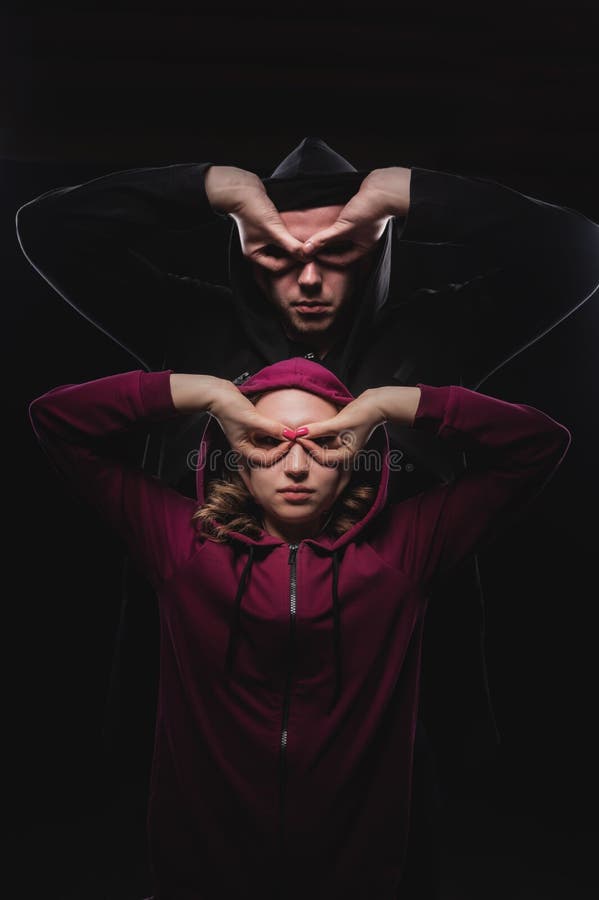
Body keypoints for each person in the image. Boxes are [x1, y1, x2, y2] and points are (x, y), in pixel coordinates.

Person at [16, 137, 599, 894]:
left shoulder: (433, 334)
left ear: (376, 250)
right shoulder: (190, 327)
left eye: (338, 252)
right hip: (207, 680)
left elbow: (574, 247)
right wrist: (215, 188)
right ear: (242, 250)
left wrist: (402, 191)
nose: (310, 279)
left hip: (395, 681)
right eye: (279, 255)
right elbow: (54, 231)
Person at [28, 356, 571, 900]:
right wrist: (212, 394)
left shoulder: (404, 554)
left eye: (322, 445)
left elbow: (536, 444)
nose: (294, 467)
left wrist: (384, 404)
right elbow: (58, 420)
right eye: (268, 444)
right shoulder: (182, 549)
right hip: (201, 879)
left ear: (355, 457)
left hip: (355, 883)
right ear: (236, 458)